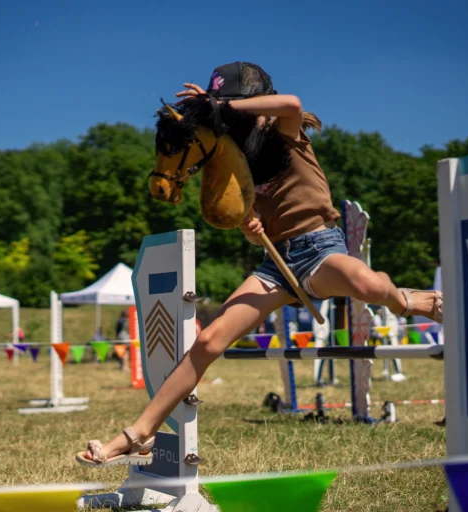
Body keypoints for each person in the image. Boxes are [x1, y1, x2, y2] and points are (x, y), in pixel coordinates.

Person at [76, 62, 443, 466]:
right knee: (207, 341)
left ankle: (406, 301)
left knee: (370, 287)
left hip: (321, 247)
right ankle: (137, 435)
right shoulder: (237, 158)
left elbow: (293, 102)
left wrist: (220, 103)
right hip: (276, 262)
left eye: (233, 105)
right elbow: (251, 228)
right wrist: (249, 227)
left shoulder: (284, 131)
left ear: (245, 103)